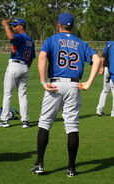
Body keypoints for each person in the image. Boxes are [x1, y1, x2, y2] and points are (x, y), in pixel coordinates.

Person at [31, 12, 101, 177]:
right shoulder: (80, 42)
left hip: (55, 84)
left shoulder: (52, 40)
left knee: (45, 123)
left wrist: (42, 81)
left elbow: (42, 57)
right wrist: (89, 83)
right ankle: (71, 168)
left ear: (58, 24)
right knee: (72, 126)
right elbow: (97, 59)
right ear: (73, 26)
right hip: (74, 84)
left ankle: (39, 163)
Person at [0, 18, 36, 128]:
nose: (13, 28)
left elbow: (10, 37)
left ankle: (4, 120)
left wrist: (5, 25)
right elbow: (32, 58)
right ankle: (25, 121)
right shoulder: (30, 39)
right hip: (24, 67)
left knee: (7, 93)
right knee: (22, 95)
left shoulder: (20, 36)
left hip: (15, 65)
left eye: (15, 26)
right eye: (12, 26)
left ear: (21, 26)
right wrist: (25, 67)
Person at [96, 41, 114, 116]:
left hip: (107, 69)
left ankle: (99, 110)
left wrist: (102, 68)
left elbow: (103, 56)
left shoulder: (110, 43)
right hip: (112, 70)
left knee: (105, 90)